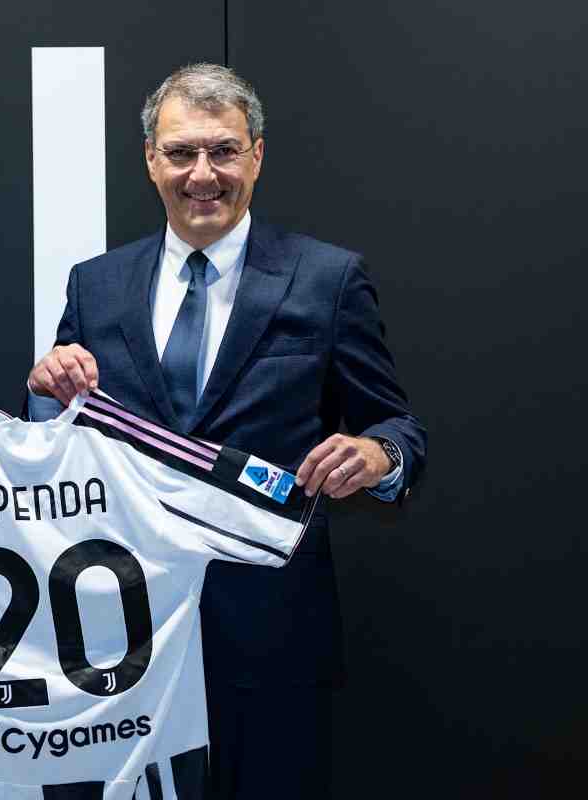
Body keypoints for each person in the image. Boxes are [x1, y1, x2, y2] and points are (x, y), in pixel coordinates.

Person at [26, 64, 426, 799]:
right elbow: (59, 434)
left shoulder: (327, 278)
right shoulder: (96, 284)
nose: (202, 174)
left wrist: (379, 454)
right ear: (151, 160)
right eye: (181, 152)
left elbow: (396, 424)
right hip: (124, 643)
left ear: (258, 156)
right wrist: (44, 392)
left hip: (273, 640)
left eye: (223, 151)